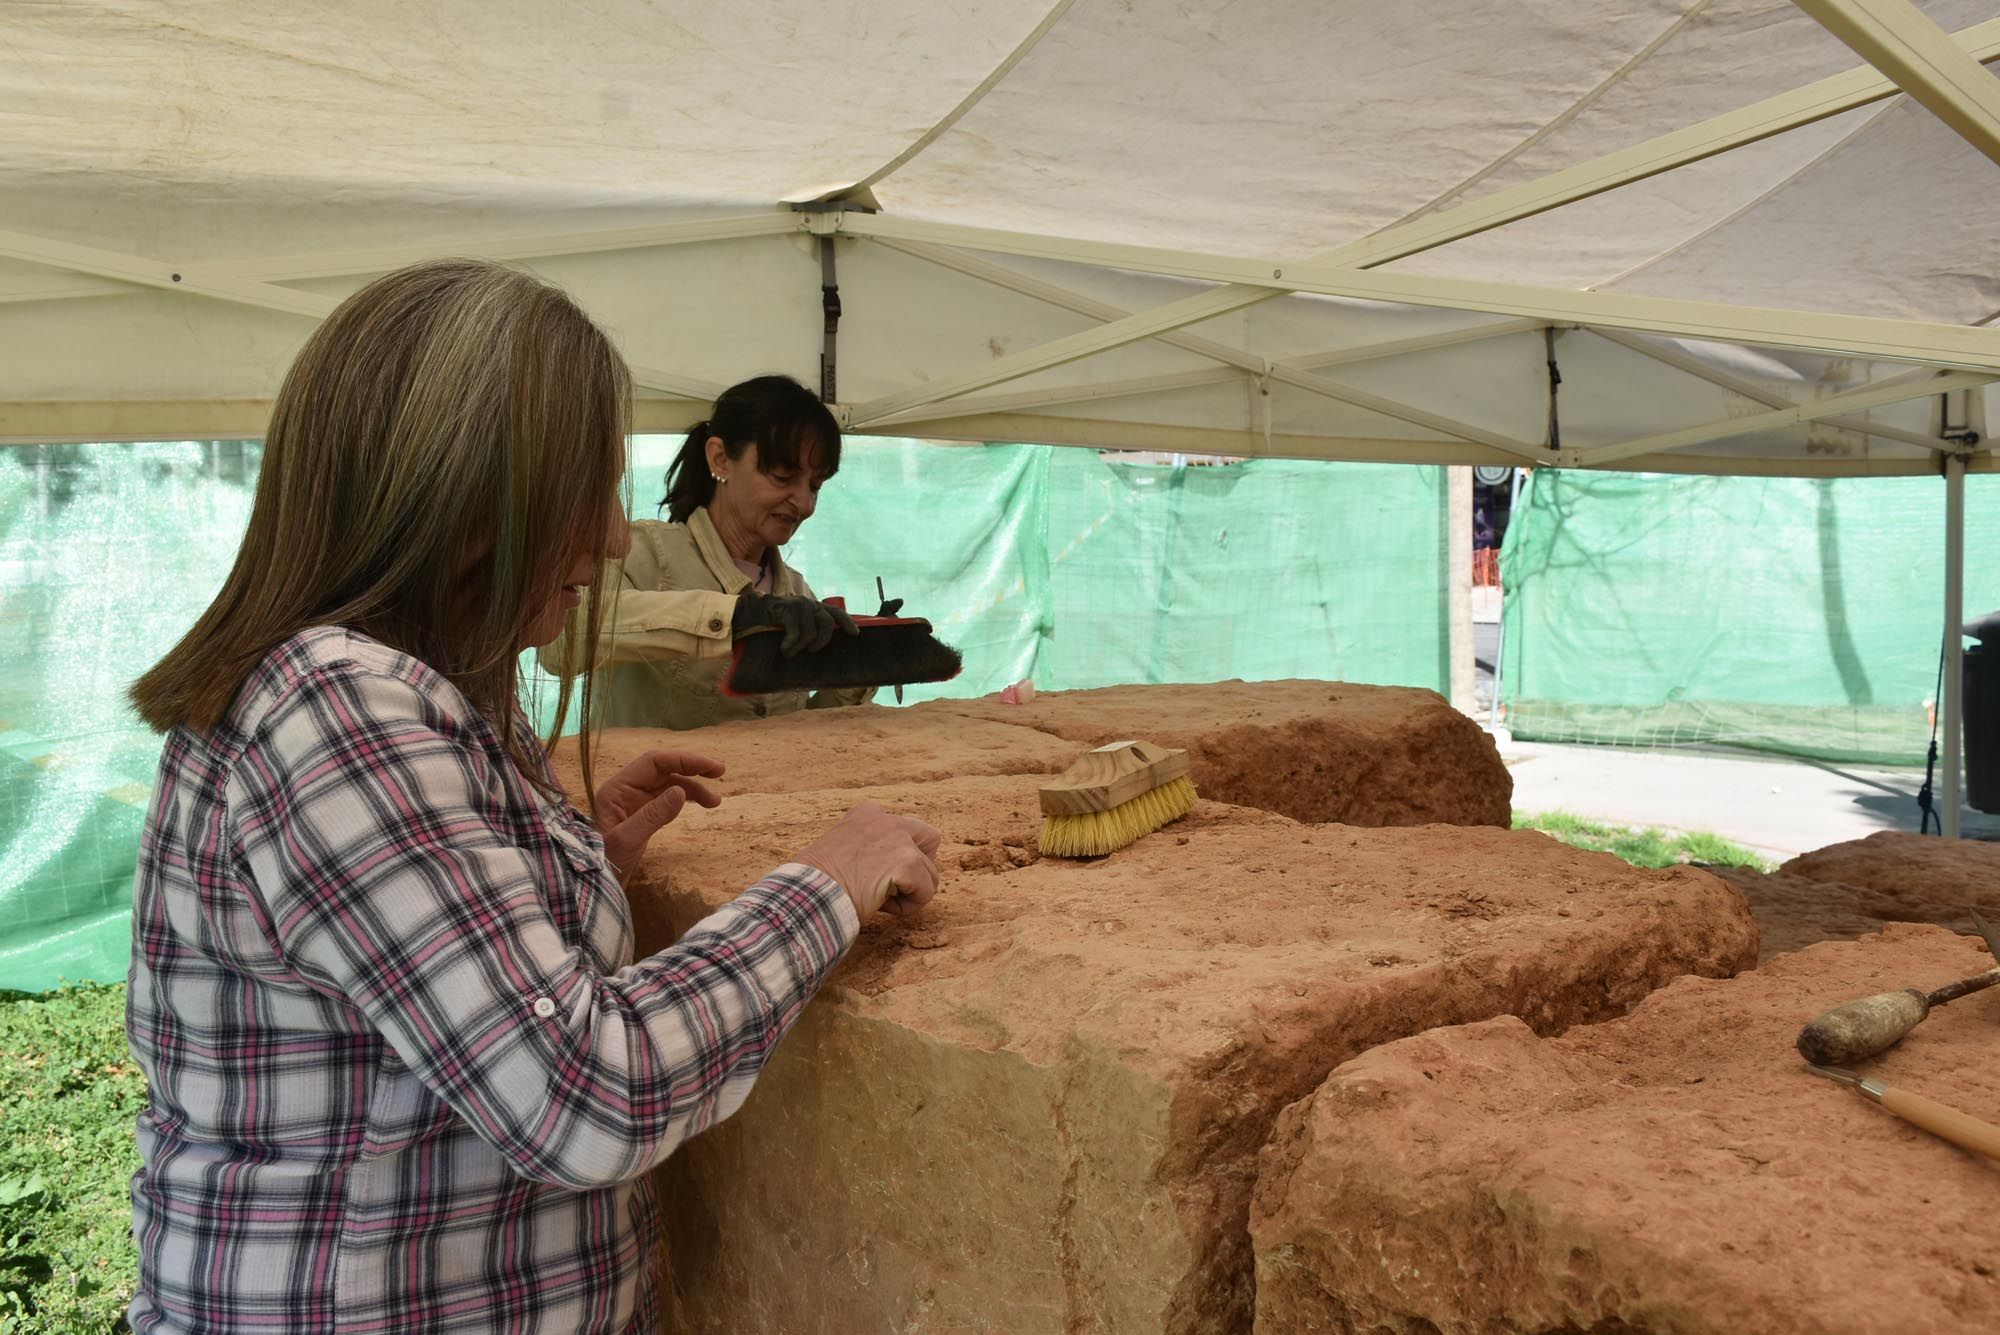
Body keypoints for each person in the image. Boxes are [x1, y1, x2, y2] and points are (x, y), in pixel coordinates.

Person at [122, 259, 940, 1335]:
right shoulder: (339, 703)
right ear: (462, 490)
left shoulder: (428, 680)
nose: (607, 536)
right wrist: (823, 888)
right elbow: (579, 1095)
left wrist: (572, 859)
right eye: (583, 489)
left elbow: (403, 975)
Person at [538, 374, 874, 729]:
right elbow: (559, 644)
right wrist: (735, 617)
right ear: (720, 459)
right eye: (782, 476)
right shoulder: (639, 554)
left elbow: (798, 731)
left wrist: (857, 669)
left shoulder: (797, 593)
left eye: (816, 486)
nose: (804, 503)